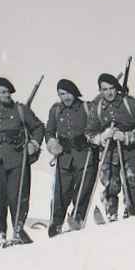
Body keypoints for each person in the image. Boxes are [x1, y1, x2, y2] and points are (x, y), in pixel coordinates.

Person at [0, 78, 45, 244]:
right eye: (3, 92)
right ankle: (0, 232)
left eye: (8, 92)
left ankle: (18, 229)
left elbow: (38, 127)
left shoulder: (20, 110)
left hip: (17, 159)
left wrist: (34, 144)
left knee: (18, 196)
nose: (7, 95)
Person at [84, 72, 135, 221]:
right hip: (108, 152)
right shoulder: (97, 108)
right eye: (105, 90)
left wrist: (126, 136)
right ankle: (111, 214)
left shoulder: (129, 103)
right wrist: (102, 137)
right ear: (100, 91)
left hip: (131, 150)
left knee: (130, 180)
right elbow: (89, 133)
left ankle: (130, 210)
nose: (109, 93)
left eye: (111, 89)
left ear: (116, 88)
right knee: (110, 183)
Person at [44, 79, 98, 235]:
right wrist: (51, 143)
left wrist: (91, 139)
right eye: (61, 94)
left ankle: (77, 218)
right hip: (64, 156)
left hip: (85, 155)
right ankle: (56, 223)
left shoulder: (87, 107)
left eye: (68, 93)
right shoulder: (55, 110)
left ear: (74, 93)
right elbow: (49, 131)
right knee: (60, 192)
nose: (65, 97)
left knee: (83, 189)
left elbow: (96, 126)